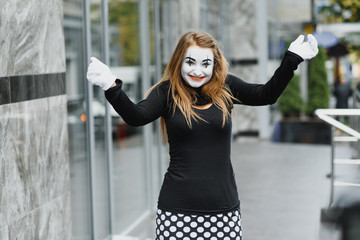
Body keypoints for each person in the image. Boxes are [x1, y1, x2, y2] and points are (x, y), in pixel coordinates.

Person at [87, 31, 318, 240]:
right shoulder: (167, 92)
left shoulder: (225, 88)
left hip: (224, 210)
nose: (198, 71)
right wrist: (111, 86)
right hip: (176, 212)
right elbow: (136, 116)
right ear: (179, 61)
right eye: (190, 62)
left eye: (205, 64)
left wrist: (292, 60)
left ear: (214, 65)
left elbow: (266, 94)